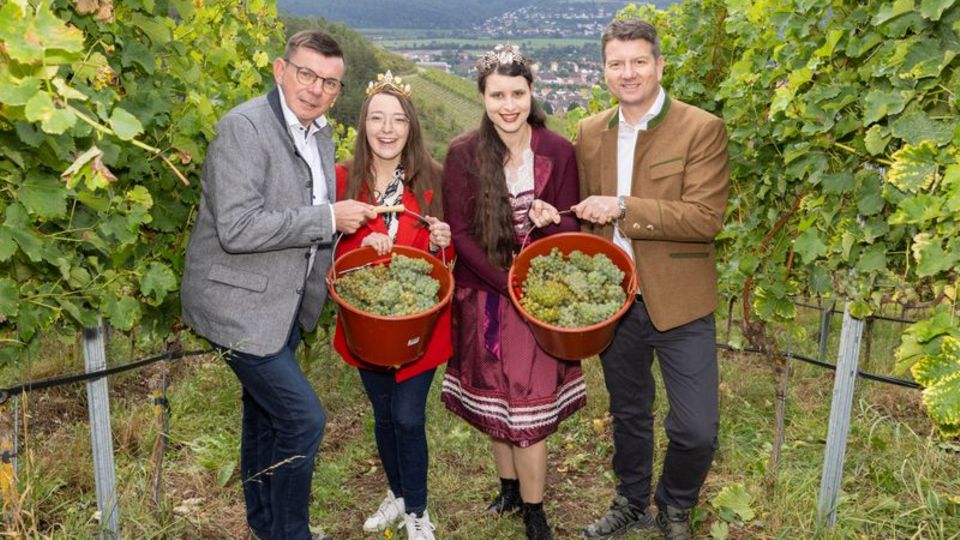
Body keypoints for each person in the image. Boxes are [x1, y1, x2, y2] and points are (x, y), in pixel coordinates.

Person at [181, 30, 377, 540]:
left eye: (330, 83)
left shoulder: (321, 133)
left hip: (283, 306)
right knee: (303, 420)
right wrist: (327, 218)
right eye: (307, 74)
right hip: (238, 307)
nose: (315, 89)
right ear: (279, 69)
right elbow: (238, 228)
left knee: (265, 419)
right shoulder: (244, 129)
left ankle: (265, 525)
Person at [572, 18, 730, 540]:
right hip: (615, 303)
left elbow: (705, 219)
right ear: (604, 71)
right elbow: (586, 215)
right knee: (629, 414)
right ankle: (632, 500)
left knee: (696, 429)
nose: (628, 72)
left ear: (659, 65)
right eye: (617, 63)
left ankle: (676, 504)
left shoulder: (700, 128)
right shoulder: (590, 132)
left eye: (639, 61)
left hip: (681, 302)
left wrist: (622, 206)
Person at [439, 44, 585, 540]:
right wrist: (504, 284)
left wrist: (549, 223)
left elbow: (567, 232)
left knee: (527, 403)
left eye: (517, 93)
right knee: (493, 399)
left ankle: (536, 509)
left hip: (538, 296)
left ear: (531, 93)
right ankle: (507, 488)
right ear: (481, 96)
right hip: (484, 293)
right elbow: (460, 233)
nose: (508, 104)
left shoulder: (559, 151)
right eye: (497, 94)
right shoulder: (462, 154)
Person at [332, 71, 453, 540]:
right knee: (383, 415)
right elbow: (333, 252)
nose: (387, 129)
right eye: (377, 119)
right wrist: (363, 239)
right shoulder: (344, 177)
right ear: (363, 124)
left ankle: (418, 511)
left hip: (418, 326)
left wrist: (444, 239)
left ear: (411, 126)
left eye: (397, 119)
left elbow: (447, 257)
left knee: (407, 416)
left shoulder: (434, 180)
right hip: (365, 323)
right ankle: (398, 495)